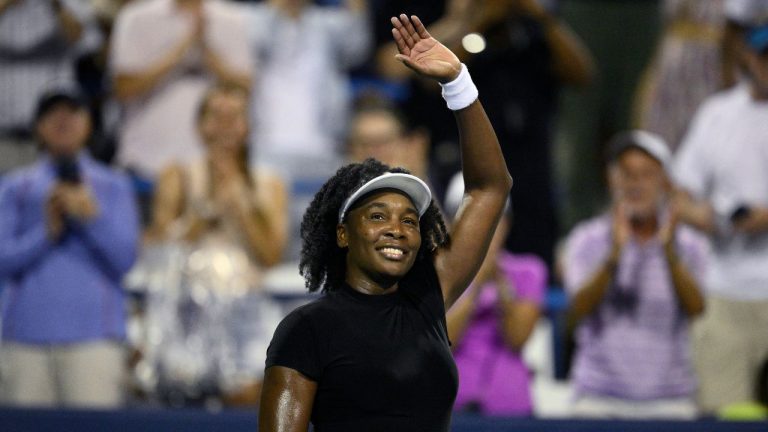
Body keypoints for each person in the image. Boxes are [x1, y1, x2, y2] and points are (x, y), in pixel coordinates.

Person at [258, 14, 512, 431]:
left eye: (410, 220)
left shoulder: (429, 297)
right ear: (342, 233)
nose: (397, 229)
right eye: (378, 216)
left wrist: (458, 84)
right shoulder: (306, 329)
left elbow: (490, 188)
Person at [136, 82, 288, 406]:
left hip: (245, 311)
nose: (225, 126)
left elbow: (271, 255)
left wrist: (241, 206)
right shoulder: (178, 175)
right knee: (180, 400)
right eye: (216, 115)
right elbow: (158, 247)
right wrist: (201, 214)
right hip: (186, 309)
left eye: (234, 116)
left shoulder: (269, 183)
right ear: (200, 125)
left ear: (247, 126)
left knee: (246, 399)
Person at [0, 88, 140, 407]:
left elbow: (125, 260)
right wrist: (46, 232)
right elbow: (2, 260)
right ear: (39, 127)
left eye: (72, 113)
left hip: (94, 339)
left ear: (89, 124)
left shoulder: (114, 185)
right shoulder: (15, 187)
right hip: (25, 339)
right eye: (53, 114)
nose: (63, 121)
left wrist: (91, 219)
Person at [562, 130, 708, 419]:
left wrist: (668, 252)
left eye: (646, 174)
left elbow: (697, 308)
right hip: (598, 398)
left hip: (670, 400)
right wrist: (615, 253)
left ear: (665, 183)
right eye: (627, 174)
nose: (635, 184)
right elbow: (576, 310)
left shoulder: (689, 244)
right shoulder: (586, 239)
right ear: (611, 179)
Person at [673, 20, 768, 415]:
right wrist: (716, 219)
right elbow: (679, 196)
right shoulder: (718, 113)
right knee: (724, 413)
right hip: (722, 288)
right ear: (750, 58)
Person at [109, 0, 253, 180]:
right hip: (144, 162)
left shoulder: (233, 18)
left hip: (209, 174)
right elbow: (123, 88)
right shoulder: (136, 17)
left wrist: (205, 48)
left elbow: (245, 88)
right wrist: (180, 50)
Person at [443, 173, 546, 417]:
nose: (481, 230)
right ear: (447, 224)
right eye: (467, 218)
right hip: (453, 414)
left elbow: (517, 338)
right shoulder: (434, 276)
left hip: (513, 412)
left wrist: (501, 284)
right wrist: (476, 282)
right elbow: (443, 342)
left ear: (506, 224)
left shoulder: (528, 270)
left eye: (491, 219)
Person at [247, 0, 370, 180]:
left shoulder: (327, 24)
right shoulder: (255, 19)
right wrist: (275, 8)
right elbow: (254, 41)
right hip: (265, 143)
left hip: (323, 145)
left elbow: (357, 48)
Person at [0, 0, 102, 173]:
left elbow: (88, 43)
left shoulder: (66, 4)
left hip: (54, 140)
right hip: (4, 136)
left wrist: (56, 4)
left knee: (54, 197)